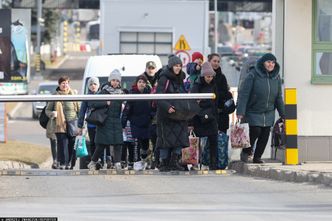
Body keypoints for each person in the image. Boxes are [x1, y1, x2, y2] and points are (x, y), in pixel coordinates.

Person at [236, 53, 285, 164]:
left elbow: (278, 98)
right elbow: (244, 94)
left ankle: (257, 157)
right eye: (268, 62)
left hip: (268, 112)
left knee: (265, 134)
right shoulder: (253, 75)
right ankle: (246, 151)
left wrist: (283, 114)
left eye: (273, 62)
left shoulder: (276, 78)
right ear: (263, 63)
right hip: (253, 110)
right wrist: (240, 111)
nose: (270, 64)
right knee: (255, 131)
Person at [156, 55, 189, 172]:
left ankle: (174, 161)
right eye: (176, 65)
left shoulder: (181, 79)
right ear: (171, 66)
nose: (178, 68)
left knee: (180, 138)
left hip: (179, 114)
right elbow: (158, 96)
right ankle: (164, 162)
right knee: (165, 139)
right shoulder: (163, 78)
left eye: (180, 66)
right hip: (166, 115)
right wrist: (167, 107)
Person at [87, 69, 124, 170]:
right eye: (113, 80)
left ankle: (117, 164)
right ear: (110, 80)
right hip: (104, 122)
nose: (115, 82)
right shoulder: (103, 91)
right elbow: (92, 104)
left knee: (118, 143)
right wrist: (105, 103)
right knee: (101, 145)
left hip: (116, 122)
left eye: (117, 80)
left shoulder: (121, 93)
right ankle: (92, 162)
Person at [45, 76, 79, 170]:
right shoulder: (55, 96)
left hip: (72, 122)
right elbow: (47, 110)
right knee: (62, 144)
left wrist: (81, 124)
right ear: (59, 84)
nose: (65, 85)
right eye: (63, 83)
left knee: (71, 143)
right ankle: (63, 163)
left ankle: (70, 163)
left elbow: (79, 109)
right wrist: (52, 113)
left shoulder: (73, 95)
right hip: (59, 124)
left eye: (66, 83)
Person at [190, 62, 219, 170]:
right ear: (203, 75)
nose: (209, 79)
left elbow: (216, 102)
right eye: (207, 76)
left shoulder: (214, 85)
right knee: (197, 142)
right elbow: (193, 104)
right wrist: (191, 122)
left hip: (211, 117)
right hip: (199, 118)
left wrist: (216, 118)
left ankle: (214, 164)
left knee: (213, 141)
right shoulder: (197, 86)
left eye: (211, 76)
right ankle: (195, 163)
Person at [122, 75, 153, 170]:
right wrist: (123, 123)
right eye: (139, 82)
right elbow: (126, 110)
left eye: (143, 82)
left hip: (146, 122)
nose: (141, 84)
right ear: (137, 83)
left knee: (145, 145)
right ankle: (137, 162)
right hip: (135, 122)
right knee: (136, 143)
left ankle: (144, 157)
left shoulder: (150, 93)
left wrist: (151, 116)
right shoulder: (132, 94)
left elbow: (153, 107)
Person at [77, 77, 101, 166]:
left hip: (101, 124)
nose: (93, 86)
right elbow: (82, 112)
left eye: (95, 84)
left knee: (101, 143)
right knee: (92, 143)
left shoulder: (102, 95)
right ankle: (94, 160)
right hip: (91, 124)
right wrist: (79, 125)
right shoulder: (87, 97)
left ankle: (102, 159)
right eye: (91, 84)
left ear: (98, 85)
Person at [208, 53, 232, 133]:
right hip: (207, 115)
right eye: (214, 61)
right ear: (209, 61)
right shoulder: (202, 76)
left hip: (221, 115)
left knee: (221, 142)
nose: (216, 63)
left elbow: (225, 94)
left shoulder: (222, 77)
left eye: (218, 61)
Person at [142, 61, 159, 169]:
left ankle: (154, 161)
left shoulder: (159, 80)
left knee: (155, 140)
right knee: (145, 142)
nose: (151, 70)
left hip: (156, 115)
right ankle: (146, 161)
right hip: (146, 115)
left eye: (153, 68)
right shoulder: (142, 80)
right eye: (149, 68)